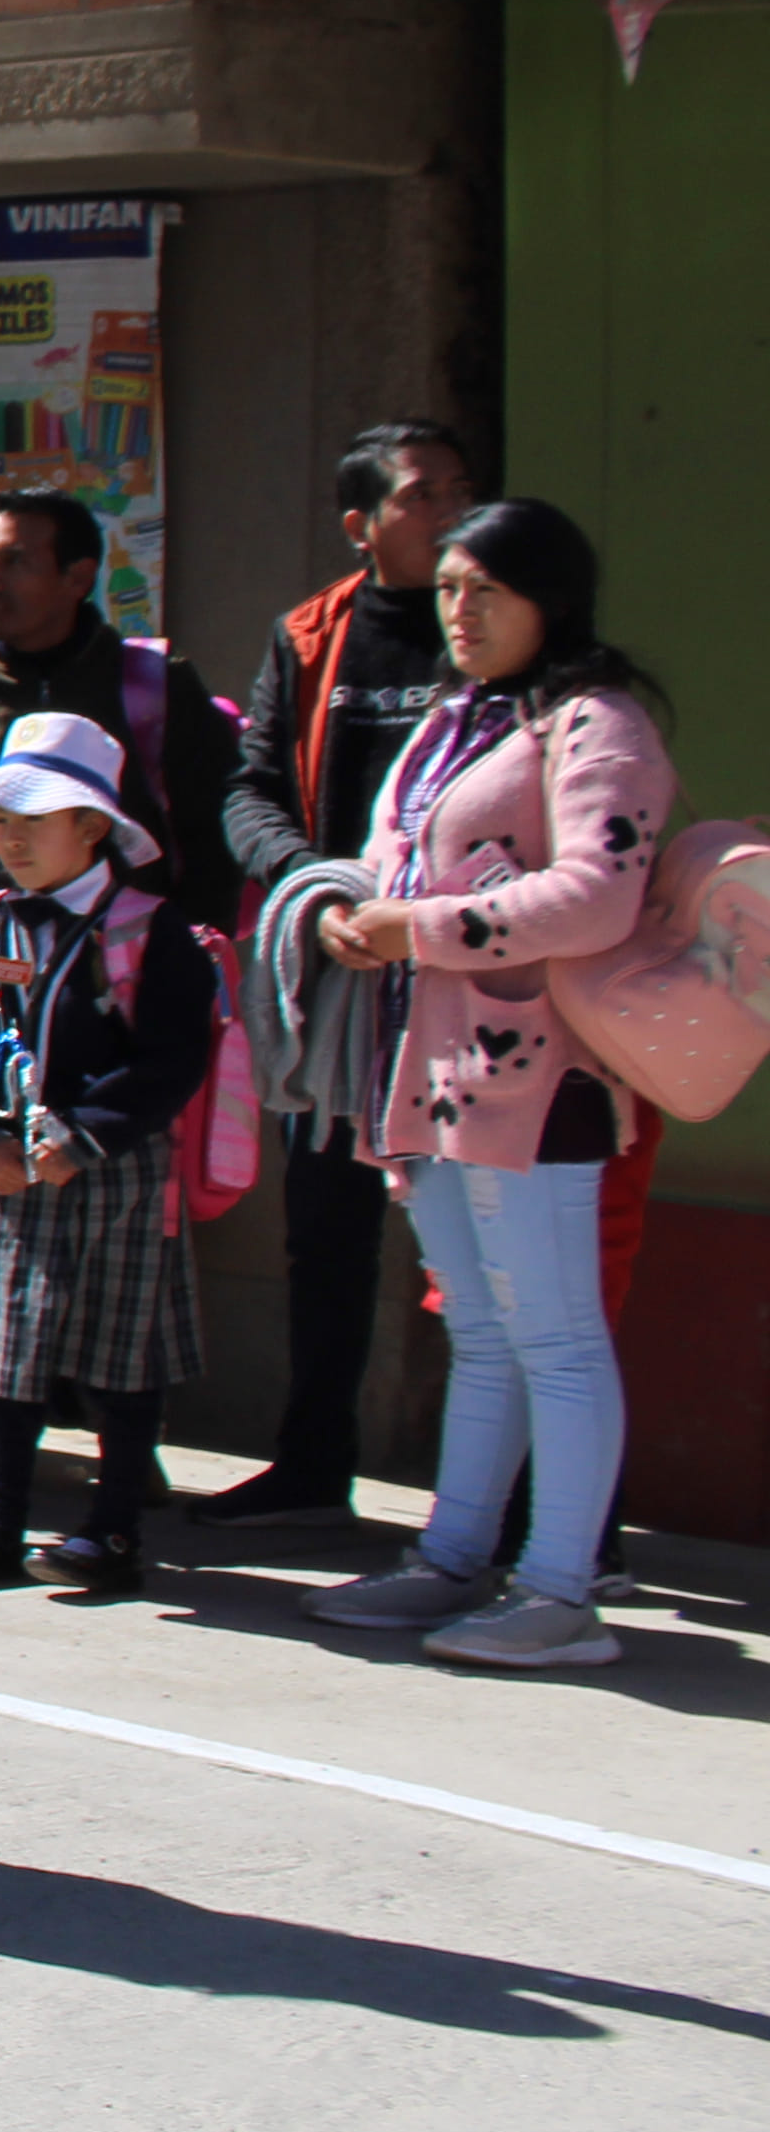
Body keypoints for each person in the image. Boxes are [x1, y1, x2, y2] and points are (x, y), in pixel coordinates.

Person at [304, 497, 674, 1668]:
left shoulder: (598, 726)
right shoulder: (465, 717)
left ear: (548, 602)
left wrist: (419, 924)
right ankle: (454, 1559)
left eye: (487, 591)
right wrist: (352, 909)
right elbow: (397, 855)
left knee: (557, 1338)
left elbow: (595, 897)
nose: (459, 610)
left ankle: (562, 1589)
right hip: (435, 1075)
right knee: (483, 1331)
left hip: (543, 1080)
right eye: (451, 587)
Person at [199, 420, 478, 1528]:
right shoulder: (312, 635)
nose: (451, 508)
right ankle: (314, 1459)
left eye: (461, 487)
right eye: (425, 493)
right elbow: (248, 787)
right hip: (339, 977)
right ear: (362, 525)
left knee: (470, 1235)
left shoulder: (497, 628)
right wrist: (308, 883)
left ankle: (500, 1499)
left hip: (457, 971)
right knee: (327, 1231)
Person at [0, 709, 225, 1596]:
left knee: (123, 1353)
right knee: (12, 1352)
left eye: (32, 818)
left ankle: (114, 1527)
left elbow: (171, 1055)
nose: (8, 837)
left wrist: (85, 1135)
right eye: (0, 818)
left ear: (92, 826)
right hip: (8, 1172)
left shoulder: (149, 932)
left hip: (115, 1171)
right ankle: (0, 1524)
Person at [0, 489, 239, 933]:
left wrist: (180, 956)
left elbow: (212, 836)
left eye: (15, 561)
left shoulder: (155, 683)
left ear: (79, 577)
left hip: (131, 966)